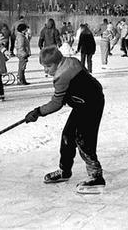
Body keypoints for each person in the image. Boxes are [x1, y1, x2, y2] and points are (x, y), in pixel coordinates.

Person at [24, 46, 106, 192]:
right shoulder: (71, 61)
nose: (46, 70)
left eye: (48, 66)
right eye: (44, 67)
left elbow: (56, 103)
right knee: (68, 135)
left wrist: (37, 112)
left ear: (57, 62)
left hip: (91, 104)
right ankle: (64, 170)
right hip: (83, 103)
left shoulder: (62, 76)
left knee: (84, 139)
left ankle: (96, 177)